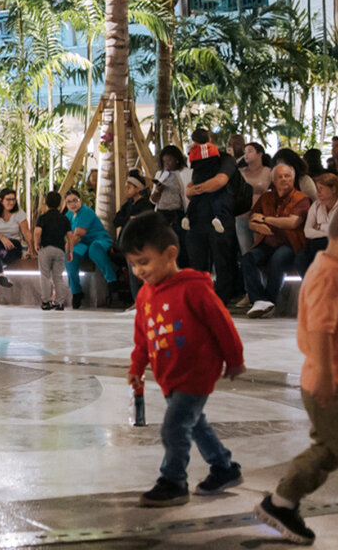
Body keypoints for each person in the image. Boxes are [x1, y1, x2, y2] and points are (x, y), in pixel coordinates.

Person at [254, 197, 338, 549]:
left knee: (329, 451)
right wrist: (328, 379)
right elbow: (319, 330)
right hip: (336, 387)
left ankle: (281, 503)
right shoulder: (329, 278)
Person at [122, 213, 246, 507]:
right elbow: (143, 336)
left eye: (145, 262)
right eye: (134, 264)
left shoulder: (193, 287)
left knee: (175, 427)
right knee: (195, 423)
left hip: (196, 372)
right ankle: (224, 468)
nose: (139, 270)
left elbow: (222, 323)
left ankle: (173, 481)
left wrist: (234, 357)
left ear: (170, 254)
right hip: (170, 373)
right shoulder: (144, 296)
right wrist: (136, 366)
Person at [240, 164, 310, 319]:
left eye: (287, 176)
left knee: (277, 260)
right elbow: (252, 221)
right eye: (280, 177)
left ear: (293, 178)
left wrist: (265, 219)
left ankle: (269, 300)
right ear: (273, 180)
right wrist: (258, 226)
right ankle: (259, 300)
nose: (284, 179)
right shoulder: (266, 197)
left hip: (290, 243)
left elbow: (292, 223)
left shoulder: (301, 198)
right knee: (247, 258)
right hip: (267, 242)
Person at [185, 131, 240, 300]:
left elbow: (219, 182)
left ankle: (223, 298)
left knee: (222, 259)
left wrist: (196, 189)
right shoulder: (196, 160)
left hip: (220, 217)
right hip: (198, 217)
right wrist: (192, 190)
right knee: (197, 261)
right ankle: (200, 296)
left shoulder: (225, 159)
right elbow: (189, 189)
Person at [64, 189, 116, 310]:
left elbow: (78, 235)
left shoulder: (86, 212)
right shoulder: (69, 215)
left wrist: (67, 246)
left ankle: (112, 280)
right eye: (69, 202)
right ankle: (76, 292)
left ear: (80, 200)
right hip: (82, 245)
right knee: (69, 258)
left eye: (75, 200)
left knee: (94, 249)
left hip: (98, 240)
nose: (72, 204)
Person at [114, 171, 156, 300]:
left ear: (137, 188)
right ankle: (136, 299)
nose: (126, 190)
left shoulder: (146, 205)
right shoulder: (128, 205)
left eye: (129, 187)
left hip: (140, 242)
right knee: (132, 272)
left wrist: (133, 219)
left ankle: (146, 299)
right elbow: (116, 221)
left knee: (143, 272)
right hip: (128, 242)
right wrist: (129, 219)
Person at [234, 142, 274, 257]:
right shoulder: (241, 172)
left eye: (250, 151)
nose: (246, 155)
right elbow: (231, 168)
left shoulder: (268, 171)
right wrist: (240, 159)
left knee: (259, 252)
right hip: (242, 216)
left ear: (260, 154)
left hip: (260, 217)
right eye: (244, 152)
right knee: (246, 252)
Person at [299, 173, 338, 275]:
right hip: (316, 244)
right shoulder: (316, 205)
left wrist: (319, 227)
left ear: (333, 189)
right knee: (300, 259)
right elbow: (307, 231)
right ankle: (313, 288)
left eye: (321, 189)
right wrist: (328, 231)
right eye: (317, 188)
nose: (317, 193)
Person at [35, 192, 71, 311]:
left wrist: (36, 244)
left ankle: (46, 301)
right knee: (58, 277)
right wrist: (70, 251)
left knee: (45, 276)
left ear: (45, 202)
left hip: (45, 249)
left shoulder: (43, 217)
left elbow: (37, 232)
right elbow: (70, 236)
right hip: (59, 250)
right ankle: (60, 302)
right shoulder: (64, 219)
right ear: (61, 204)